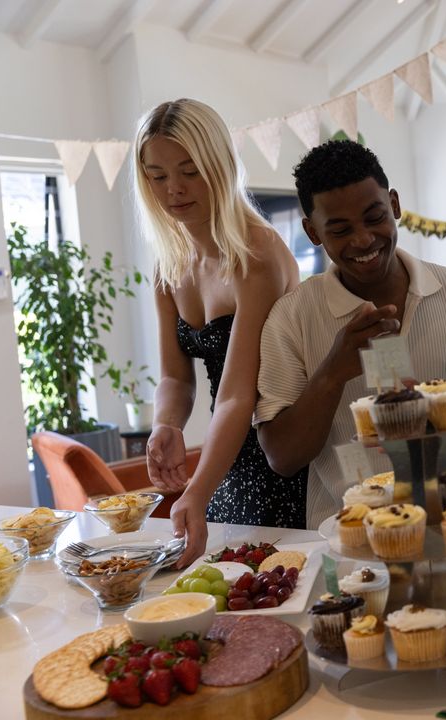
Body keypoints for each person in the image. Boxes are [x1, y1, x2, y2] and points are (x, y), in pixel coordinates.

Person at [254, 139, 446, 528]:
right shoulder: (291, 318)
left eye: (374, 217)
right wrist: (332, 372)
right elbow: (282, 458)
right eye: (340, 229)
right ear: (313, 232)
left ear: (395, 204)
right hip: (344, 538)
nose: (363, 239)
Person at [134, 98, 307, 568]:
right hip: (226, 456)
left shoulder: (257, 254)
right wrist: (166, 424)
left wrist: (197, 488)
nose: (174, 189)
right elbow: (175, 377)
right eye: (157, 176)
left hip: (281, 454)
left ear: (220, 165)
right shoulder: (169, 264)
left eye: (189, 171)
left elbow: (237, 395)